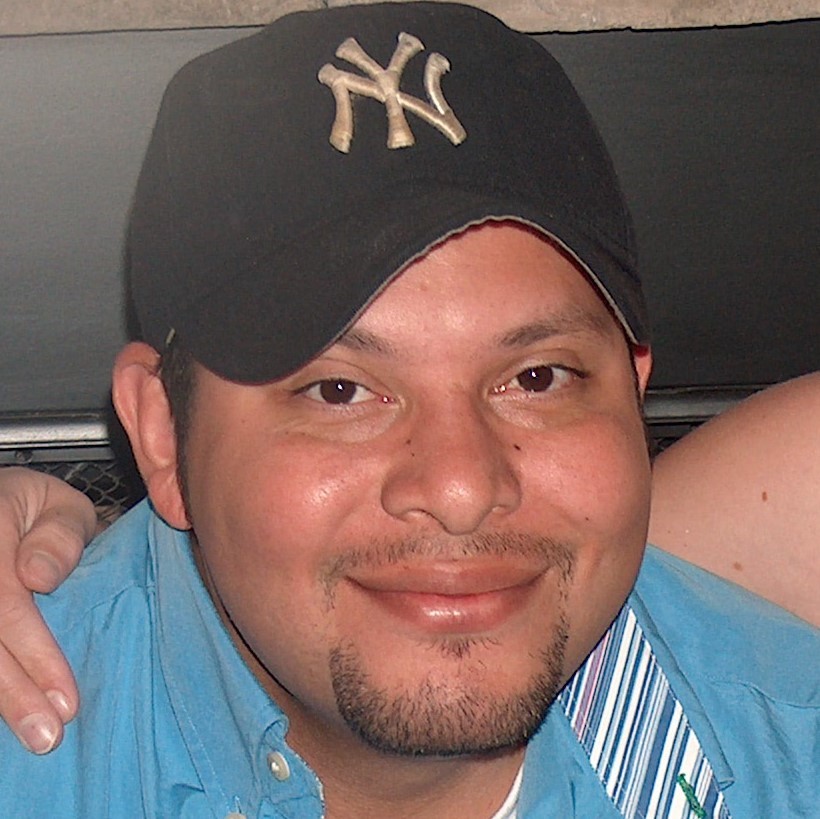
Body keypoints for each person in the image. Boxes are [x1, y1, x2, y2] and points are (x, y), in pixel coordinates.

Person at [0, 4, 816, 816]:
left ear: (633, 392)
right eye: (340, 391)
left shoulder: (788, 757)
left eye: (537, 377)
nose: (461, 488)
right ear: (163, 435)